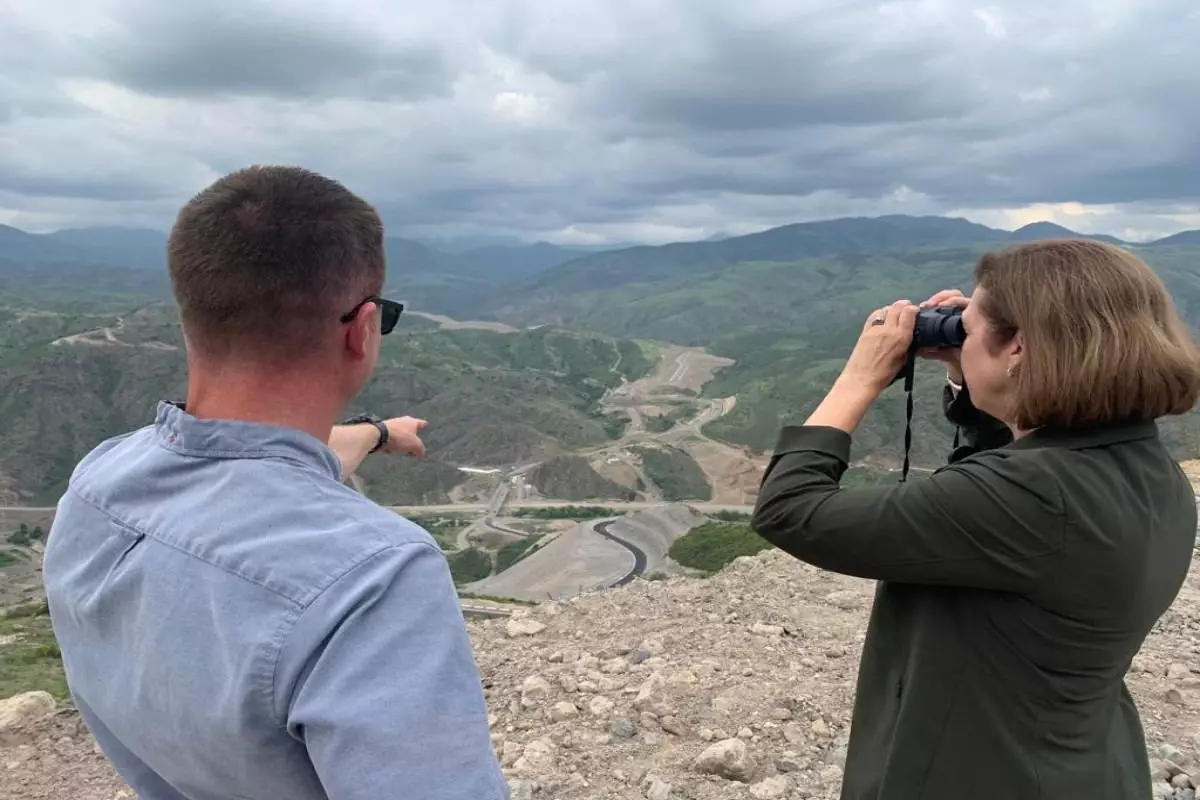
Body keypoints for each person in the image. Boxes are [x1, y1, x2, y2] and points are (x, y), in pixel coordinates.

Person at [41, 166, 509, 800]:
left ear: (190, 317)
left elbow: (251, 467)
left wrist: (372, 433)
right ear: (363, 329)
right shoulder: (376, 577)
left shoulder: (98, 481)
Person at [752, 239, 1200, 800]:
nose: (959, 334)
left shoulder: (1033, 497)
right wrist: (971, 369)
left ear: (1018, 348)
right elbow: (1017, 468)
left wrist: (860, 377)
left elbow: (790, 509)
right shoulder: (1142, 467)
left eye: (970, 325)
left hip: (983, 773)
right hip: (1080, 763)